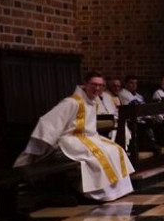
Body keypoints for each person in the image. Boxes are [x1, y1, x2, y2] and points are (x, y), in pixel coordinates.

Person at [15, 72, 134, 201]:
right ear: (85, 84)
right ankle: (97, 192)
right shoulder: (71, 102)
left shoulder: (92, 102)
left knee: (116, 150)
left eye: (101, 85)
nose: (97, 88)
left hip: (88, 138)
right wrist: (41, 147)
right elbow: (48, 122)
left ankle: (117, 190)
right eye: (94, 85)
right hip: (70, 140)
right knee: (98, 155)